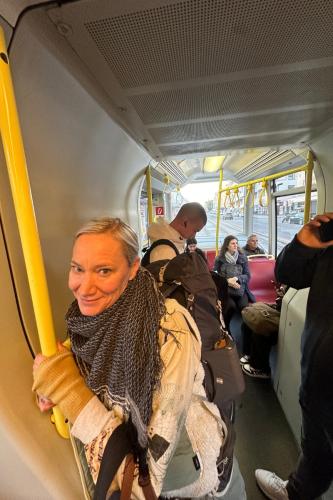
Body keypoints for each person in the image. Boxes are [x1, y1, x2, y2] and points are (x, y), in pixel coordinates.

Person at [32, 217, 237, 499]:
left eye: (104, 271)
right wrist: (56, 380)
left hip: (189, 478)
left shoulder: (170, 329)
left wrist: (69, 393)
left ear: (132, 270)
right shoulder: (84, 322)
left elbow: (146, 484)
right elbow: (74, 367)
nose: (84, 287)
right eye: (77, 269)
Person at [255, 213, 333, 500]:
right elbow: (289, 275)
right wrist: (303, 244)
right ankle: (297, 491)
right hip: (322, 375)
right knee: (317, 449)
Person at [214, 235, 255, 313]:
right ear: (227, 246)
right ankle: (227, 324)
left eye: (236, 243)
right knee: (230, 307)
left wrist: (236, 278)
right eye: (233, 243)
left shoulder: (242, 258)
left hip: (240, 289)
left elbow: (247, 275)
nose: (235, 245)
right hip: (226, 290)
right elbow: (215, 276)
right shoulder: (219, 259)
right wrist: (227, 281)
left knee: (243, 307)